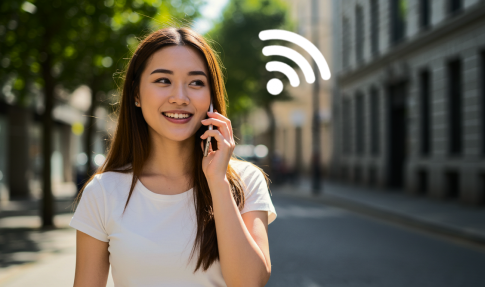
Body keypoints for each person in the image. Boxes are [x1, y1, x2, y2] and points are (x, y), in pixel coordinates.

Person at [69, 26, 277, 287]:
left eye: (196, 83)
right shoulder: (103, 191)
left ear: (212, 98)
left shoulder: (244, 181)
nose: (180, 98)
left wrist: (218, 182)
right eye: (163, 80)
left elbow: (250, 282)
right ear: (136, 94)